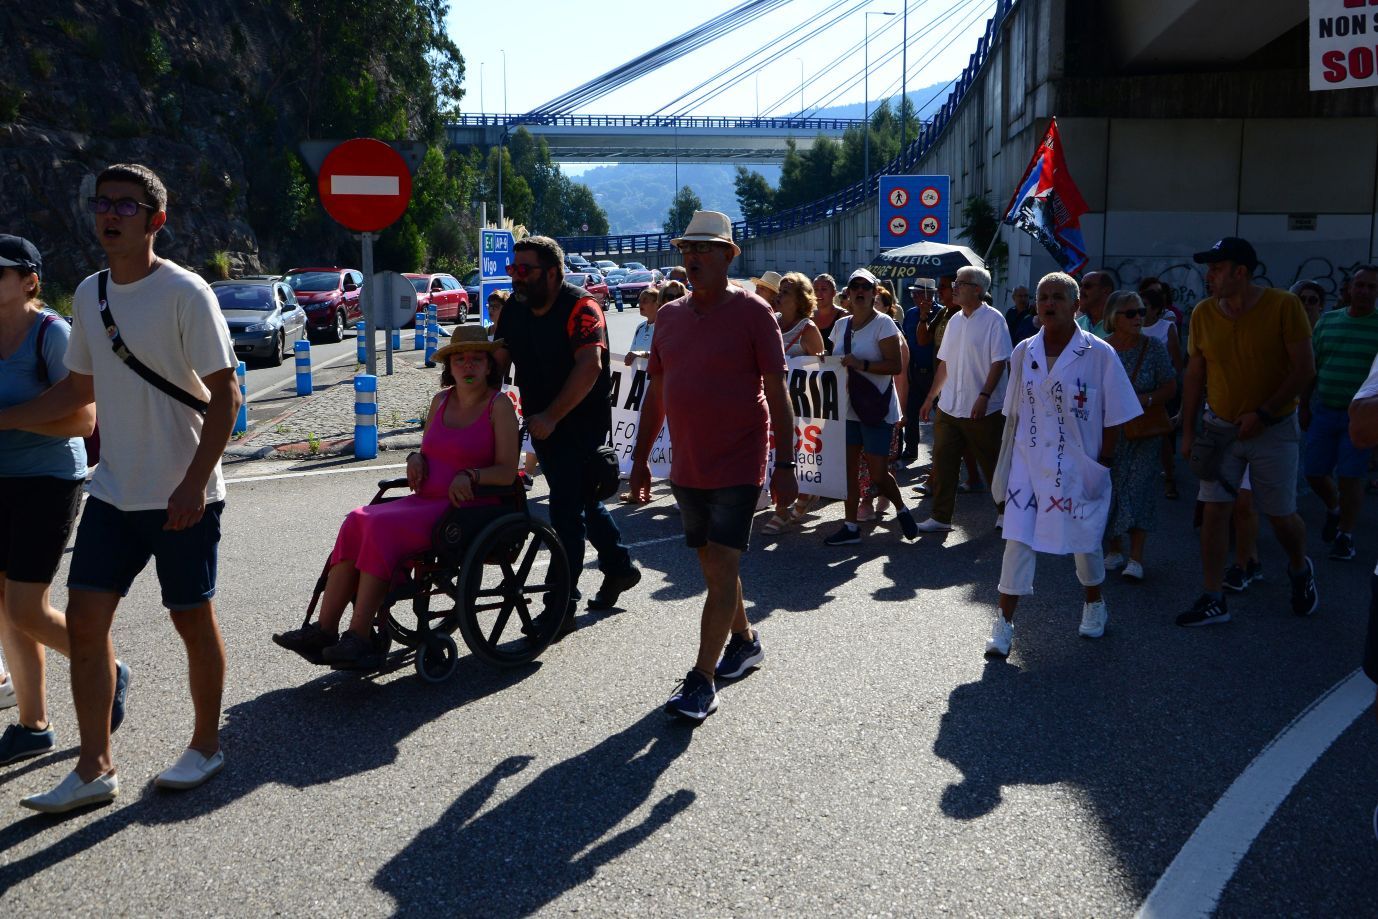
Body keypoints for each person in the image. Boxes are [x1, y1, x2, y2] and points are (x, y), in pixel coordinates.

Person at [2, 164, 240, 812]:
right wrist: (10, 416)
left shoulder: (186, 294)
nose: (110, 214)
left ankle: (206, 743)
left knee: (190, 618)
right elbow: (78, 389)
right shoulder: (88, 293)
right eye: (102, 203)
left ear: (156, 220)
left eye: (126, 206)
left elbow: (226, 396)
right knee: (83, 621)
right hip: (113, 490)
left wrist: (194, 483)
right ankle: (93, 766)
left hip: (182, 493)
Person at [626, 211, 798, 721]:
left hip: (739, 460)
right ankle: (744, 640)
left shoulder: (755, 314)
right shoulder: (671, 317)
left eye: (704, 249)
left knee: (722, 567)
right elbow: (656, 391)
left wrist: (785, 463)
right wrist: (638, 460)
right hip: (689, 464)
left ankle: (701, 679)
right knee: (710, 565)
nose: (692, 258)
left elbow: (778, 392)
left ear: (728, 255)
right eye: (686, 250)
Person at [274, 327, 518, 667]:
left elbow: (507, 470)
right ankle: (324, 629)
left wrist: (472, 475)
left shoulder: (499, 406)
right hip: (425, 502)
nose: (468, 366)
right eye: (460, 359)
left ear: (490, 366)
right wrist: (415, 458)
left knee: (381, 528)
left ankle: (359, 636)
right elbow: (430, 451)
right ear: (451, 367)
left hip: (467, 508)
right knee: (356, 521)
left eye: (477, 359)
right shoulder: (440, 401)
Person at [984, 272, 1142, 658]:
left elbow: (1115, 416)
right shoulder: (1023, 352)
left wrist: (1101, 463)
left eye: (1058, 297)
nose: (1049, 304)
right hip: (1029, 464)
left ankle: (1094, 603)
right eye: (1042, 298)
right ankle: (1004, 625)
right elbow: (1015, 414)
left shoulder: (1099, 353)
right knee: (1017, 543)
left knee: (1084, 542)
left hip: (1077, 465)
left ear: (1076, 306)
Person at [495, 236, 639, 632]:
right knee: (584, 502)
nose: (517, 278)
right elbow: (498, 361)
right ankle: (620, 566)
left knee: (565, 513)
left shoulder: (581, 306)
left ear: (553, 273)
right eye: (513, 269)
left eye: (525, 270)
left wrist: (553, 416)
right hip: (542, 423)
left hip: (579, 425)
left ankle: (561, 605)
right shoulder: (514, 308)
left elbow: (590, 366)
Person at [1177, 237, 1317, 627]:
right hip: (1219, 429)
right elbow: (1194, 375)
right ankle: (1212, 596)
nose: (1210, 276)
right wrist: (1187, 432)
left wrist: (1265, 412)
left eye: (1217, 268)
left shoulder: (1284, 306)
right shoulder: (1204, 313)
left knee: (1279, 515)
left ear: (1241, 272)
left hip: (1273, 429)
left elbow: (1304, 369)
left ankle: (1298, 566)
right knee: (1215, 511)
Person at [0, 235, 98, 768]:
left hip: (48, 479)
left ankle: (104, 666)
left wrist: (7, 420)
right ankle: (33, 725)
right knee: (4, 608)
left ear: (29, 282)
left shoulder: (52, 334)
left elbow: (84, 420)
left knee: (26, 606)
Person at [821, 269, 920, 545]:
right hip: (849, 408)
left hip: (877, 408)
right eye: (855, 287)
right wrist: (823, 361)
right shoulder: (841, 326)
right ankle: (851, 526)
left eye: (866, 287)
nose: (860, 291)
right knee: (849, 471)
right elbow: (836, 362)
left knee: (877, 472)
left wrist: (860, 364)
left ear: (875, 292)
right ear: (849, 294)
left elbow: (895, 365)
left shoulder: (884, 323)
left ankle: (901, 507)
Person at [918, 265, 1011, 532]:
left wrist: (984, 395)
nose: (954, 287)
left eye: (961, 283)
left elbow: (999, 362)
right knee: (943, 461)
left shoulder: (995, 320)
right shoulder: (955, 320)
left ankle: (1006, 512)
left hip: (983, 408)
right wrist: (930, 398)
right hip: (949, 406)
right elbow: (944, 363)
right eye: (955, 282)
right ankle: (940, 517)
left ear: (978, 290)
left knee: (993, 463)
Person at [1302, 265, 1378, 561]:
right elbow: (1312, 368)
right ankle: (1335, 509)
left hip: (1360, 416)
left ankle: (1345, 535)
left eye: (1372, 287)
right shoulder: (1327, 322)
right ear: (1349, 288)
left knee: (1350, 477)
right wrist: (1304, 405)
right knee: (1313, 473)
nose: (1365, 291)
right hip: (1324, 410)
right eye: (1360, 285)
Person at [1102, 291, 1177, 580]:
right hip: (1110, 432)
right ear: (1114, 318)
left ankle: (1136, 558)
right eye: (1131, 313)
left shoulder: (1154, 347)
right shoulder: (1102, 349)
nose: (1138, 318)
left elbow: (1171, 387)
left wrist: (1142, 399)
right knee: (1111, 489)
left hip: (1144, 432)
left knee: (1139, 489)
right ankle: (1114, 549)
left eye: (1141, 312)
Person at [856, 285, 911, 523]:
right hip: (858, 406)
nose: (873, 306)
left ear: (888, 308)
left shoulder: (894, 335)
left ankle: (884, 497)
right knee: (863, 459)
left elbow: (901, 377)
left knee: (880, 459)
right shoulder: (853, 328)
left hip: (884, 408)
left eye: (878, 302)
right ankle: (866, 499)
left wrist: (902, 413)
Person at [1138, 277, 1184, 498]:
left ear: (1156, 309)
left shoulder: (1167, 327)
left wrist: (1167, 386)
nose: (1139, 311)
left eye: (1144, 306)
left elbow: (1177, 361)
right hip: (1135, 391)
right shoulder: (1132, 327)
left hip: (1159, 392)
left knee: (1162, 435)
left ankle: (1170, 477)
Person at [901, 278, 939, 461]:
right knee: (911, 410)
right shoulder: (910, 314)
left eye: (918, 293)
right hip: (915, 371)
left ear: (929, 294)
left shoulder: (942, 314)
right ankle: (910, 448)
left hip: (936, 373)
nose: (914, 296)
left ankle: (940, 454)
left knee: (941, 415)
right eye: (913, 293)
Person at [624, 287, 660, 365]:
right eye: (640, 301)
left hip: (656, 375)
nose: (640, 304)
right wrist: (629, 357)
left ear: (657, 303)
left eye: (645, 301)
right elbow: (632, 352)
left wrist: (641, 354)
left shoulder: (663, 327)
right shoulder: (640, 327)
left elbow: (662, 355)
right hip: (640, 375)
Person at [812, 273, 846, 355]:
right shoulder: (808, 316)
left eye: (823, 289)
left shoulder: (844, 316)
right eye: (815, 289)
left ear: (833, 293)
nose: (818, 293)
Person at [1074, 270, 1114, 338]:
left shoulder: (1123, 324)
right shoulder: (1076, 326)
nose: (1080, 291)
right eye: (1080, 286)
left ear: (1106, 291)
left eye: (1087, 286)